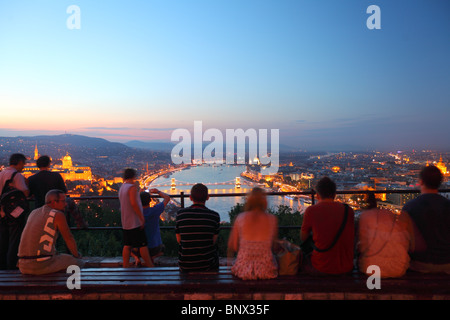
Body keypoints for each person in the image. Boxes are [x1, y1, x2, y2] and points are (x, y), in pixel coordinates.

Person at [17, 189, 84, 275]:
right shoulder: (57, 215)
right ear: (53, 202)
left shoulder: (34, 212)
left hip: (23, 266)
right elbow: (69, 238)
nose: (66, 204)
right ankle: (70, 287)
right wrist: (77, 255)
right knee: (78, 263)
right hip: (40, 264)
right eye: (63, 201)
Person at [300, 177, 355, 275]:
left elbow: (303, 237)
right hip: (346, 266)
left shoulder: (311, 211)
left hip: (321, 266)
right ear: (334, 194)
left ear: (317, 195)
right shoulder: (348, 211)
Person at [402, 165, 450, 274]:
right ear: (440, 183)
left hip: (419, 264)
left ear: (421, 182)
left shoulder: (410, 207)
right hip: (447, 264)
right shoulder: (448, 206)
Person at [358, 192, 415, 278]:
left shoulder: (365, 216)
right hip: (399, 268)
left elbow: (362, 247)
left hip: (371, 268)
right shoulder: (389, 214)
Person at [227, 187, 278, 280]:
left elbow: (233, 246)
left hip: (243, 270)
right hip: (266, 270)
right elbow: (274, 246)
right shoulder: (272, 219)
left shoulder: (240, 218)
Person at [175, 183, 220, 272]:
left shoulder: (181, 214)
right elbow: (213, 241)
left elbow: (179, 240)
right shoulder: (214, 216)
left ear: (190, 197)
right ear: (207, 197)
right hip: (208, 265)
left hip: (185, 265)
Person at [118, 168, 153, 268]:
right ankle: (150, 266)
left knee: (127, 245)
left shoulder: (122, 187)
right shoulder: (131, 187)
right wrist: (141, 218)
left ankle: (125, 267)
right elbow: (134, 203)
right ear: (133, 176)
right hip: (134, 221)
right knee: (142, 245)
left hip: (125, 222)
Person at [0, 153, 30, 270]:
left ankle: (2, 266)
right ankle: (11, 265)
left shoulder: (1, 173)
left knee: (3, 240)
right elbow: (25, 192)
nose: (23, 167)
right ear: (19, 163)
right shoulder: (16, 175)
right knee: (14, 239)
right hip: (13, 214)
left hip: (1, 213)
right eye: (23, 164)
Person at [141, 189, 171, 259]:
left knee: (129, 247)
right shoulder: (155, 210)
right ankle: (153, 257)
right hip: (154, 248)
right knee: (163, 248)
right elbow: (167, 198)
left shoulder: (136, 212)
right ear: (150, 200)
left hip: (140, 248)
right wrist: (157, 191)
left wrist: (140, 191)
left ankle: (137, 258)